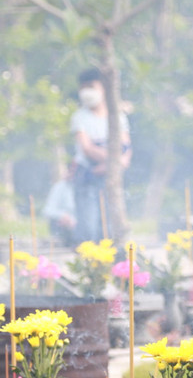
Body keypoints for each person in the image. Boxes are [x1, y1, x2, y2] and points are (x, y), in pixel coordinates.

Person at [71, 68, 131, 244]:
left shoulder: (117, 117)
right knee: (88, 227)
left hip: (111, 177)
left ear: (104, 87)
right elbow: (87, 149)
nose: (86, 91)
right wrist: (114, 160)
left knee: (110, 226)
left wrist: (116, 164)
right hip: (87, 176)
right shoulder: (80, 117)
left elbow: (126, 147)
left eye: (91, 86)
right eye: (83, 87)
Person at [41, 162, 77, 247]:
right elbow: (48, 210)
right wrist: (62, 216)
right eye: (71, 171)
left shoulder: (90, 188)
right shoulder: (60, 187)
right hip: (65, 228)